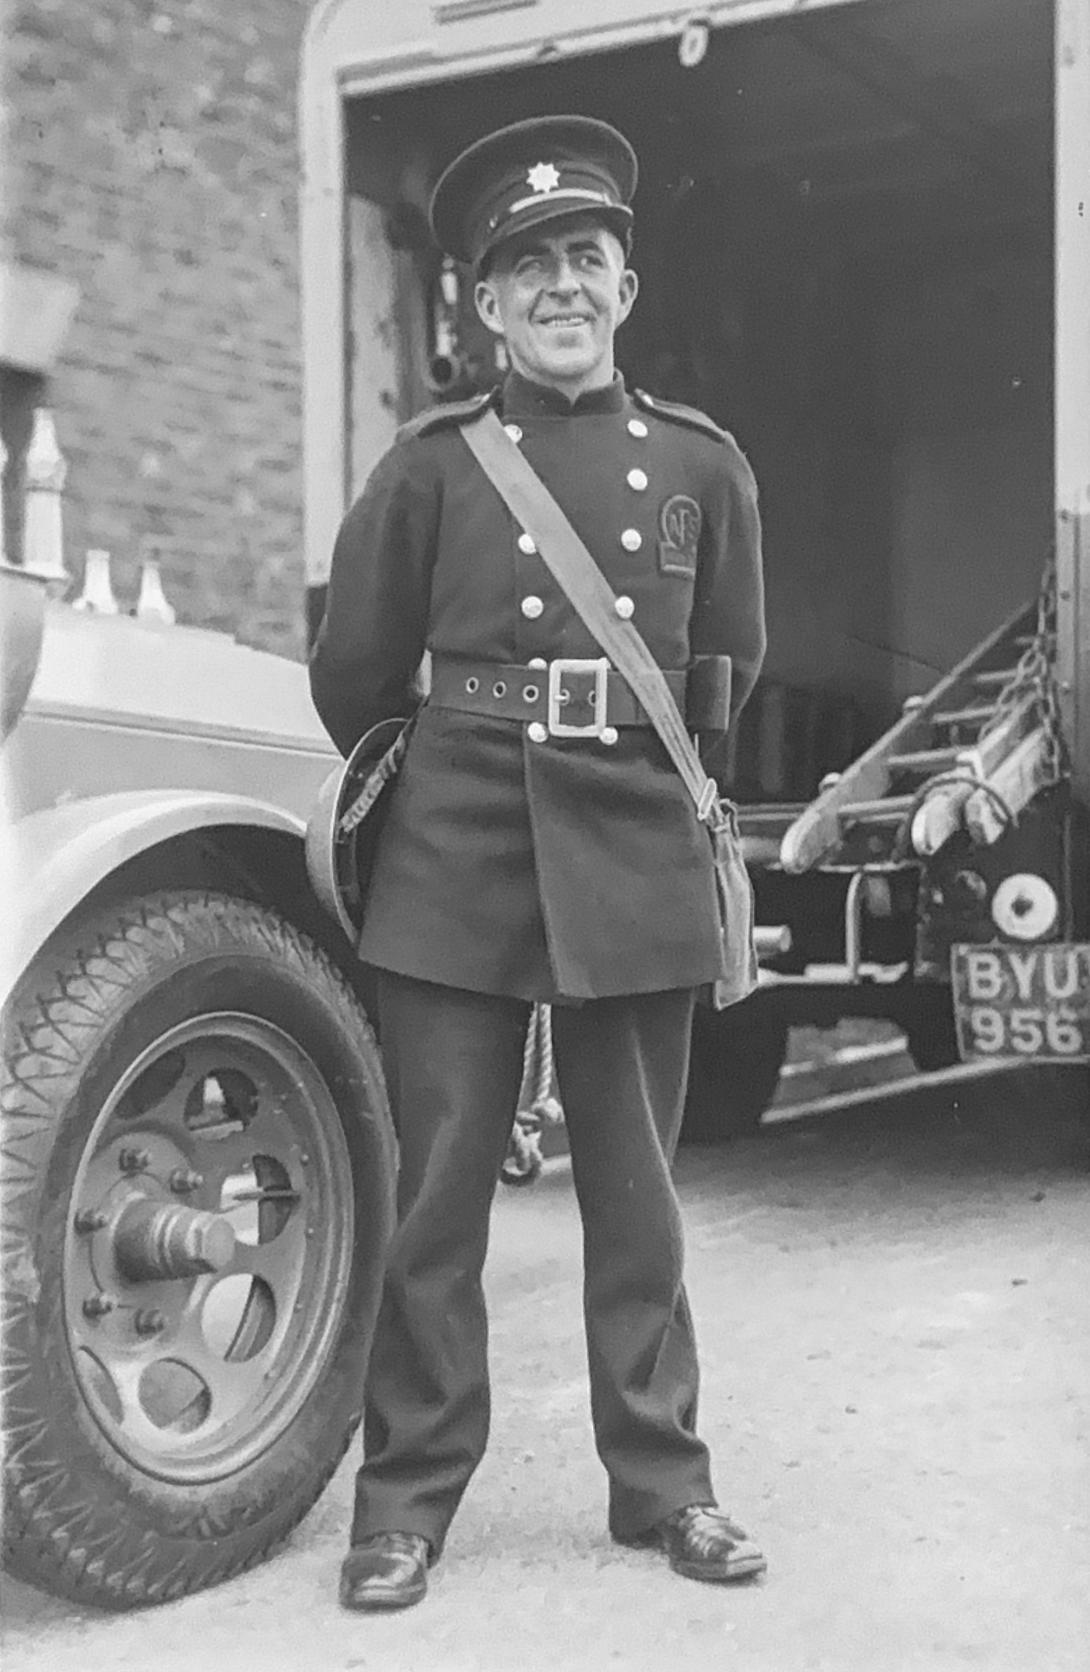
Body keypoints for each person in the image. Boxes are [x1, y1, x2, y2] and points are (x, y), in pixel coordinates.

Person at [309, 114, 768, 1613]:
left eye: (586, 258)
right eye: (527, 269)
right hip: (455, 855)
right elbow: (356, 673)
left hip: (631, 848)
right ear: (487, 309)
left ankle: (664, 1486)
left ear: (625, 288)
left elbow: (725, 673)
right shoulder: (433, 467)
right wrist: (458, 772)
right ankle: (405, 1504)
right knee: (437, 1200)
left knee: (636, 1195)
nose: (561, 286)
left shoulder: (701, 463)